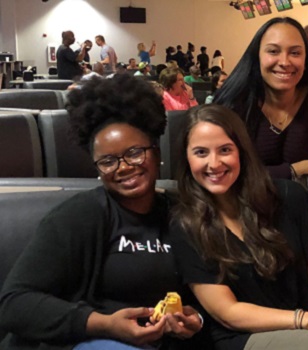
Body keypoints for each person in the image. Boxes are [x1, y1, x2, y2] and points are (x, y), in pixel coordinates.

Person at [0, 75, 204, 349]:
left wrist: (195, 319)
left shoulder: (183, 212)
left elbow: (208, 292)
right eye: (108, 161)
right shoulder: (79, 216)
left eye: (134, 153)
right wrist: (103, 324)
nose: (123, 167)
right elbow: (14, 303)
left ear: (156, 153)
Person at [169, 104, 308, 350]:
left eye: (225, 150)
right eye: (201, 152)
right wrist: (306, 320)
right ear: (186, 158)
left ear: (241, 152)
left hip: (307, 329)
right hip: (244, 339)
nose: (214, 163)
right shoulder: (185, 224)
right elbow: (227, 312)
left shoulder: (290, 197)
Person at [214, 17, 308, 181]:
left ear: (306, 60)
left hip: (306, 204)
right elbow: (222, 171)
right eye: (273, 51)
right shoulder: (233, 102)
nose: (285, 62)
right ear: (257, 56)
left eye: (295, 53)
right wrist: (294, 170)